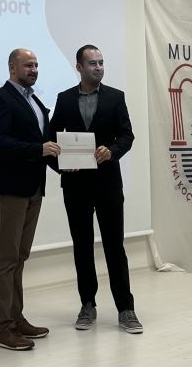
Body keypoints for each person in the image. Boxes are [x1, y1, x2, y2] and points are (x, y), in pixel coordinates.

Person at [50, 45, 142, 334]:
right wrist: (62, 166)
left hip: (108, 184)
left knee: (115, 246)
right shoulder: (64, 99)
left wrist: (112, 151)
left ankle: (126, 308)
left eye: (101, 62)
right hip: (75, 185)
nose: (99, 67)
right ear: (79, 67)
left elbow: (127, 135)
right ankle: (87, 305)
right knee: (82, 246)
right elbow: (51, 141)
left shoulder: (116, 97)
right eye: (92, 63)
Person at [0, 48, 60, 351]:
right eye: (28, 65)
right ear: (12, 67)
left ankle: (16, 318)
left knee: (20, 256)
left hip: (33, 188)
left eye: (37, 65)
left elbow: (47, 144)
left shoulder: (35, 102)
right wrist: (39, 150)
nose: (34, 69)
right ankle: (2, 329)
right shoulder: (0, 100)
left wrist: (67, 163)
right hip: (10, 188)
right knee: (6, 259)